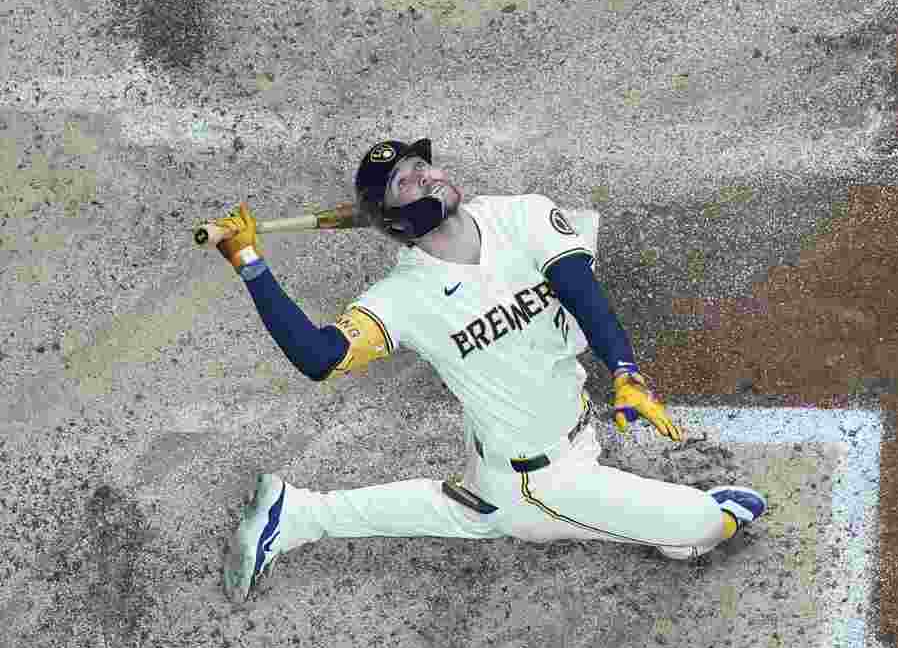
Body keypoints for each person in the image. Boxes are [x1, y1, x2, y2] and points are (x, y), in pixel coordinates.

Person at [218, 138, 767, 604]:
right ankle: (301, 515)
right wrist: (251, 263)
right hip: (538, 477)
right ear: (394, 218)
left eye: (423, 166)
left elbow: (582, 292)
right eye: (408, 181)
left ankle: (298, 514)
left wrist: (626, 372)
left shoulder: (518, 215)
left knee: (478, 510)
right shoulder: (404, 298)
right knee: (701, 526)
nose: (428, 175)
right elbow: (319, 357)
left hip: (544, 431)